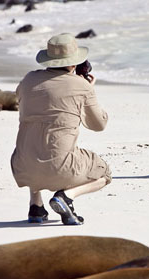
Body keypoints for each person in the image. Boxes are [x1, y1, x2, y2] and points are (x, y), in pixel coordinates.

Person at [11, 33, 111, 225]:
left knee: (32, 144)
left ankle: (36, 207)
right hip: (60, 170)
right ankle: (66, 196)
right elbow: (98, 125)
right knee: (104, 173)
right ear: (74, 62)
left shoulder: (28, 80)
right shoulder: (82, 86)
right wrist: (88, 90)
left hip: (23, 167)